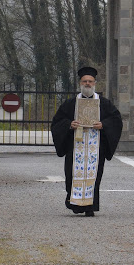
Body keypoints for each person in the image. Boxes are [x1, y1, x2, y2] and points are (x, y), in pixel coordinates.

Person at [51, 67, 123, 217]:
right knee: (72, 175)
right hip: (75, 146)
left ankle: (90, 206)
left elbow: (116, 120)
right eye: (85, 81)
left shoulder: (103, 103)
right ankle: (75, 203)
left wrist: (103, 125)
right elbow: (57, 121)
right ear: (80, 83)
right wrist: (69, 124)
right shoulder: (71, 103)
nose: (88, 84)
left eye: (90, 81)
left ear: (95, 83)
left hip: (96, 148)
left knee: (94, 176)